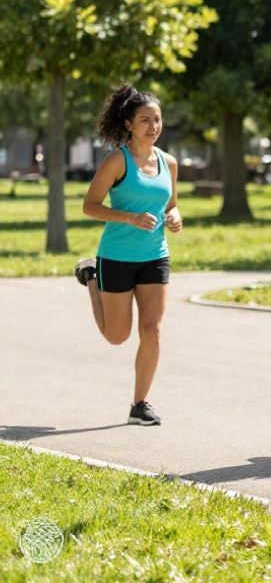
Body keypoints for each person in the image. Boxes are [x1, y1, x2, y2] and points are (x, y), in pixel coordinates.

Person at [75, 86, 182, 426]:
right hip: (117, 256)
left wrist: (175, 216)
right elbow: (90, 206)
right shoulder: (117, 161)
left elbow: (171, 203)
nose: (153, 126)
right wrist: (129, 217)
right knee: (117, 336)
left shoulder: (169, 162)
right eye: (145, 120)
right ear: (129, 124)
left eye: (157, 119)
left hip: (155, 256)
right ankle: (91, 277)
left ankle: (140, 404)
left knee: (151, 331)